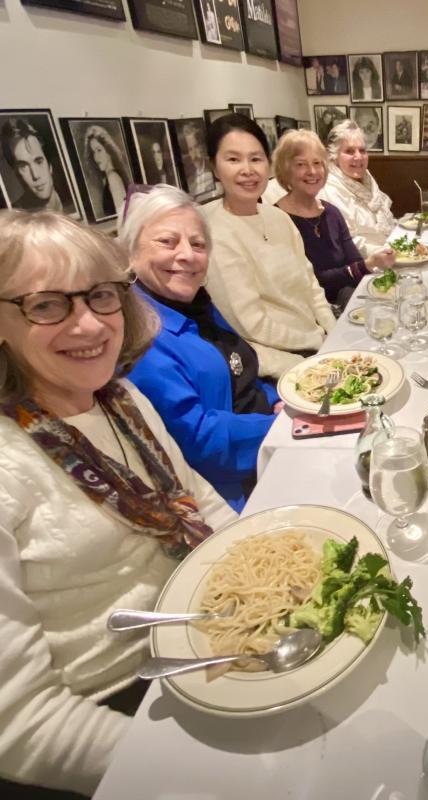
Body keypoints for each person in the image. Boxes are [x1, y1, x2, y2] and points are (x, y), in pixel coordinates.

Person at [0, 209, 236, 796]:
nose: (90, 326)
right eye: (47, 304)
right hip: (123, 710)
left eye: (101, 296)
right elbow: (20, 724)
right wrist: (198, 773)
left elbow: (193, 494)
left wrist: (263, 562)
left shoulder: (118, 396)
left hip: (205, 637)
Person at [120, 185, 279, 512]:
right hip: (236, 488)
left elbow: (242, 371)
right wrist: (285, 427)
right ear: (131, 252)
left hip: (267, 439)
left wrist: (282, 402)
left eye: (198, 244)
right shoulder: (143, 336)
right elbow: (202, 442)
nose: (187, 255)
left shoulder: (193, 303)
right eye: (167, 241)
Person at [201, 114, 335, 379]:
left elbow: (310, 285)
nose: (247, 169)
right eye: (233, 159)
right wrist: (317, 342)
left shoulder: (277, 217)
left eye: (256, 158)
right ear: (215, 168)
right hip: (280, 364)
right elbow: (252, 325)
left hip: (318, 343)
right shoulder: (212, 231)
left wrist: (334, 332)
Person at [273, 131, 395, 307]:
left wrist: (374, 264)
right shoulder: (277, 219)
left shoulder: (331, 212)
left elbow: (354, 261)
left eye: (317, 163)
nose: (312, 171)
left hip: (348, 300)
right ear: (285, 170)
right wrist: (367, 265)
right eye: (301, 164)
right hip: (310, 312)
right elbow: (309, 283)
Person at [319, 119, 396, 258]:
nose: (359, 157)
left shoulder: (367, 178)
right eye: (349, 151)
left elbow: (385, 219)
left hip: (389, 248)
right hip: (364, 263)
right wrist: (388, 252)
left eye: (362, 150)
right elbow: (347, 243)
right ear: (334, 157)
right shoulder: (329, 191)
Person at [0, 118, 64, 211]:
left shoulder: (76, 200)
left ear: (50, 165)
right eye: (24, 166)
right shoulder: (15, 217)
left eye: (39, 162)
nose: (35, 175)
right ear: (16, 174)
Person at [83, 124, 130, 217]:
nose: (96, 157)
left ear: (108, 150)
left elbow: (123, 218)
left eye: (99, 150)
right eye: (93, 152)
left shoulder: (113, 178)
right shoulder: (110, 177)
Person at [181, 121, 216, 197]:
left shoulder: (212, 167)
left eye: (196, 146)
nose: (194, 152)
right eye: (190, 149)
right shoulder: (189, 178)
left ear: (201, 146)